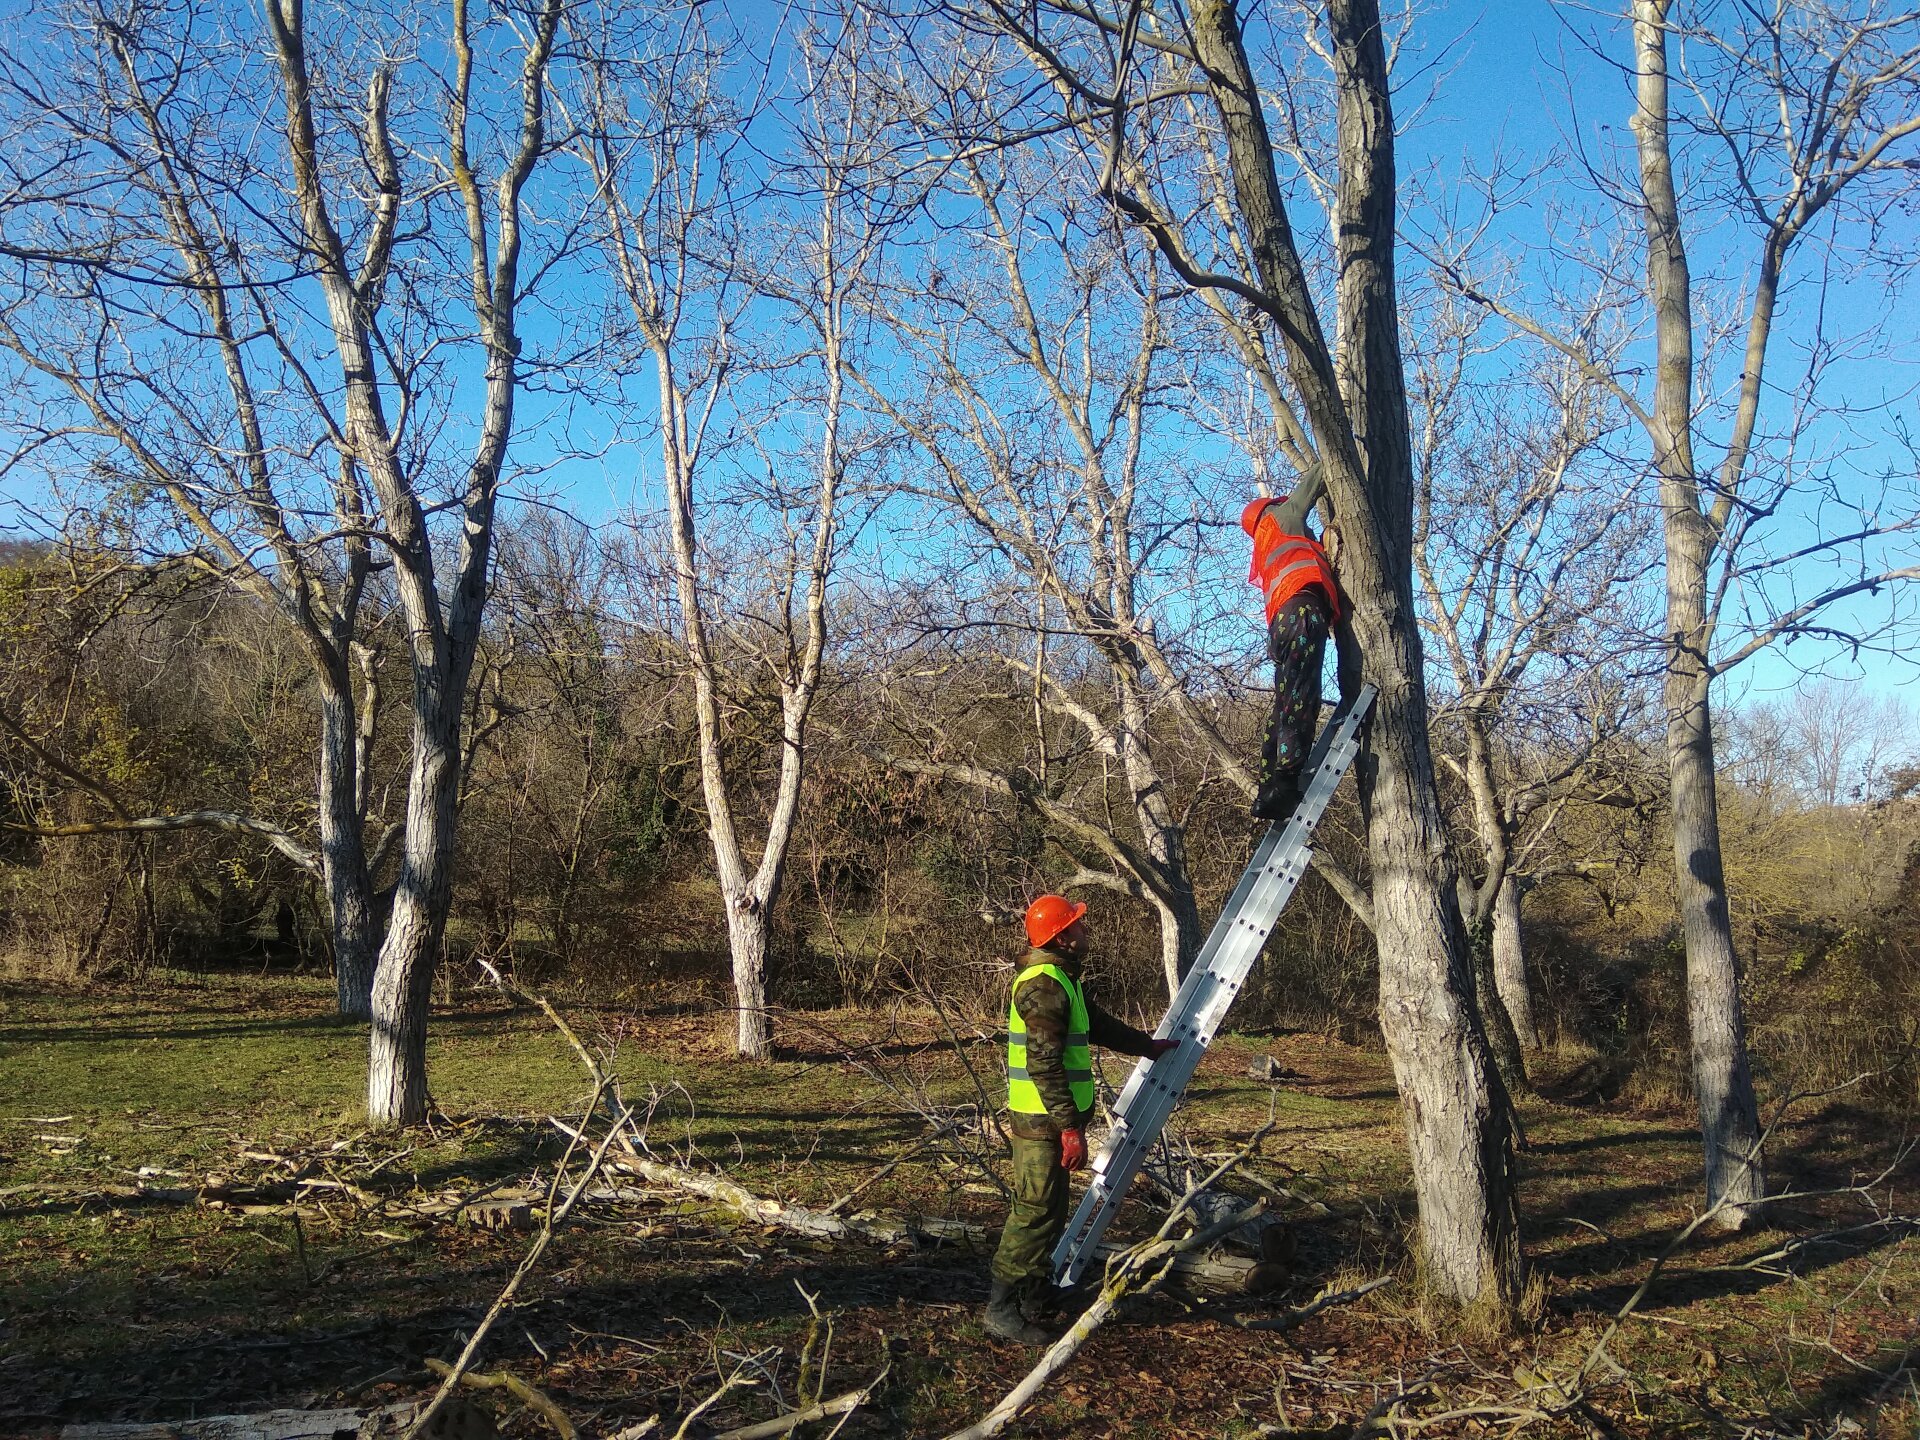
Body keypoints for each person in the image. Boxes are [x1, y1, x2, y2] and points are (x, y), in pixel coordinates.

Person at [983, 894, 1178, 1344]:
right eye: (1077, 926)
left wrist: (1146, 1046)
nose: (1085, 931)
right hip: (1042, 1121)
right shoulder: (1044, 985)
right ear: (1061, 938)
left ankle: (1035, 1297)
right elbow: (1044, 1064)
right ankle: (1000, 1309)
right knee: (1033, 1213)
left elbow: (1097, 1024)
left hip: (1051, 1119)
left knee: (1050, 1212)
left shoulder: (1060, 979)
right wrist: (1071, 1128)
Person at [1240, 461, 1342, 824]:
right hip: (1302, 614)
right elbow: (1315, 480)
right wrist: (1339, 446)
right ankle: (1285, 780)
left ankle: (1268, 788)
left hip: (1284, 624)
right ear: (1268, 510)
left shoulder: (1267, 545)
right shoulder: (1282, 518)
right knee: (1302, 698)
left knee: (1285, 700)